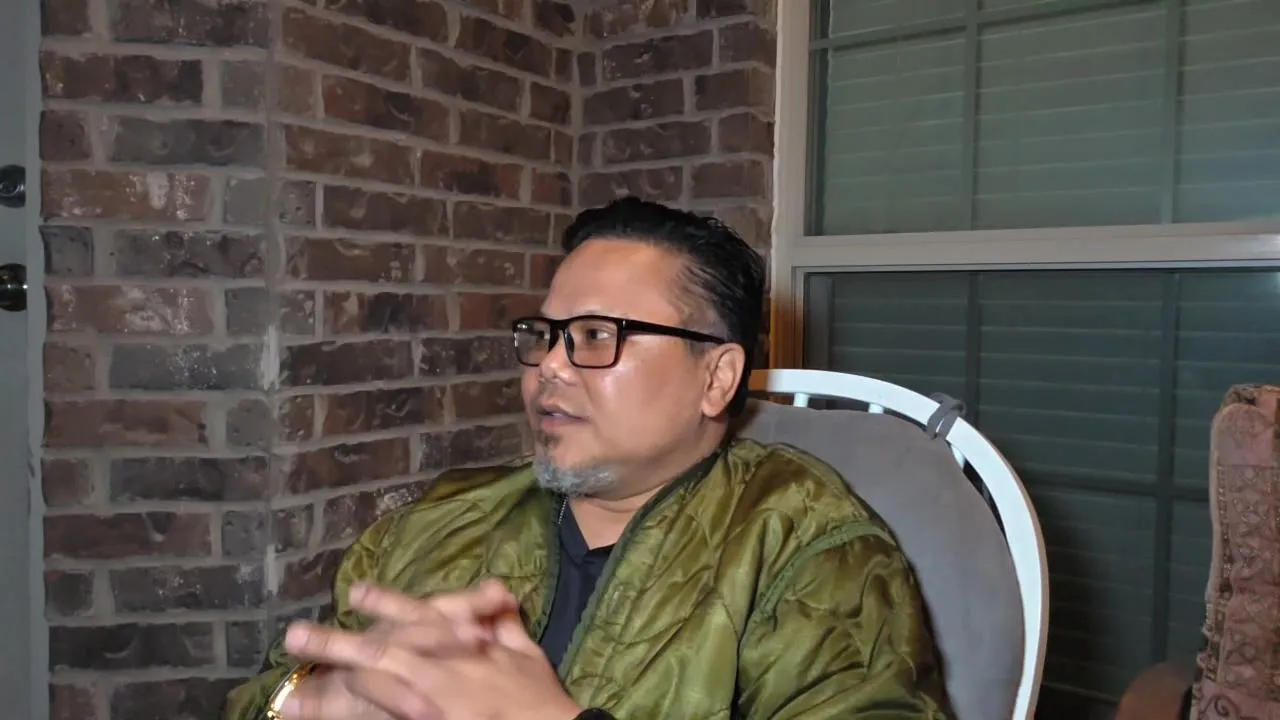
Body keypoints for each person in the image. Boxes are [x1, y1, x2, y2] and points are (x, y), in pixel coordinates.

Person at [224, 197, 951, 720]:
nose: (550, 366)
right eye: (545, 335)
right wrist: (320, 700)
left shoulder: (805, 542)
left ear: (717, 377)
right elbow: (263, 696)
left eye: (598, 336)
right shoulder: (439, 522)